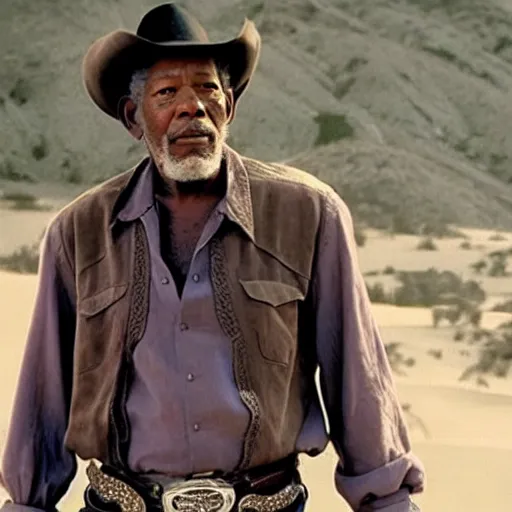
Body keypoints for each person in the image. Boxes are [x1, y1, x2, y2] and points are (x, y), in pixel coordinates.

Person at [0, 4, 425, 512]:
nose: (192, 107)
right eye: (167, 93)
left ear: (229, 107)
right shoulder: (79, 232)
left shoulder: (308, 215)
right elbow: (43, 396)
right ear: (135, 117)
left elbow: (358, 376)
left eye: (207, 89)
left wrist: (388, 501)